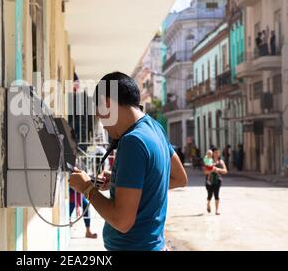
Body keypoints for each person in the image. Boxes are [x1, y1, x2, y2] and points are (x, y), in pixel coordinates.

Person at [69, 72, 188, 251]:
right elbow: (180, 178)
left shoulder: (133, 141)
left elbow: (122, 221)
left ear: (107, 103)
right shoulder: (155, 128)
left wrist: (87, 188)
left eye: (100, 114)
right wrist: (122, 184)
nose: (102, 124)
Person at [204, 147, 228, 215]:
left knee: (216, 195)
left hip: (217, 180)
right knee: (209, 195)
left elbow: (225, 171)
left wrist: (218, 169)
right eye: (215, 152)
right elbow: (205, 172)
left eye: (218, 152)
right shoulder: (208, 161)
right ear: (212, 153)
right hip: (209, 181)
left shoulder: (221, 162)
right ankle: (208, 204)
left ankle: (216, 211)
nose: (217, 154)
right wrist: (211, 170)